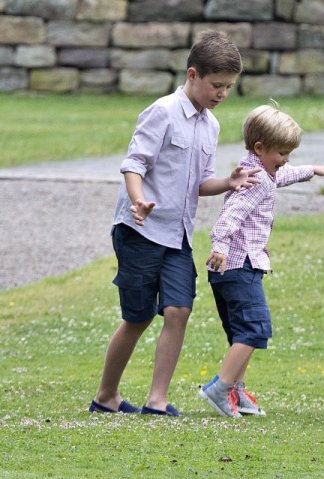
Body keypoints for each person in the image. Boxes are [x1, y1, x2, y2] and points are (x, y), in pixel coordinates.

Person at [89, 30, 258, 417]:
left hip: (177, 234)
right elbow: (134, 164)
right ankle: (106, 396)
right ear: (193, 74)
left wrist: (230, 183)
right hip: (140, 230)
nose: (222, 94)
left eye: (229, 87)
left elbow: (199, 183)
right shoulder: (162, 112)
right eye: (217, 85)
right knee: (138, 316)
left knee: (178, 310)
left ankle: (157, 400)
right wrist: (138, 200)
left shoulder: (211, 125)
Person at [199, 104, 324, 418]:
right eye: (283, 152)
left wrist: (311, 169)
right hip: (237, 266)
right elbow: (228, 218)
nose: (286, 159)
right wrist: (219, 246)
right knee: (255, 328)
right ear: (260, 148)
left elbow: (282, 175)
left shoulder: (260, 171)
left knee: (241, 332)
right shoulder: (256, 180)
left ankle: (234, 389)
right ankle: (219, 389)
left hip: (231, 269)